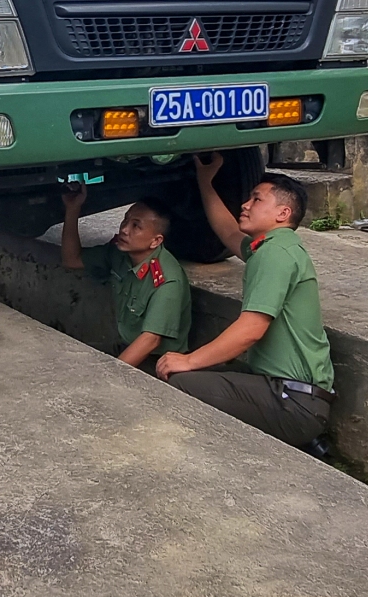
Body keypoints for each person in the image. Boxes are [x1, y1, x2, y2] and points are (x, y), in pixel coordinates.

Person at [155, 154, 336, 449]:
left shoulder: (275, 255)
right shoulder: (272, 246)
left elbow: (251, 329)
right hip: (290, 394)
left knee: (181, 380)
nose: (245, 205)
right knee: (195, 372)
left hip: (292, 401)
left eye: (256, 200)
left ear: (282, 213)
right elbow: (227, 231)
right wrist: (205, 181)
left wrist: (188, 360)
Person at [60, 186, 191, 370]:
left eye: (136, 226)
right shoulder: (121, 253)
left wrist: (110, 377)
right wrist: (73, 209)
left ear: (156, 241)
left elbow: (150, 340)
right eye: (125, 220)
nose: (124, 229)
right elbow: (71, 260)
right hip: (127, 345)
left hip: (156, 362)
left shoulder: (166, 280)